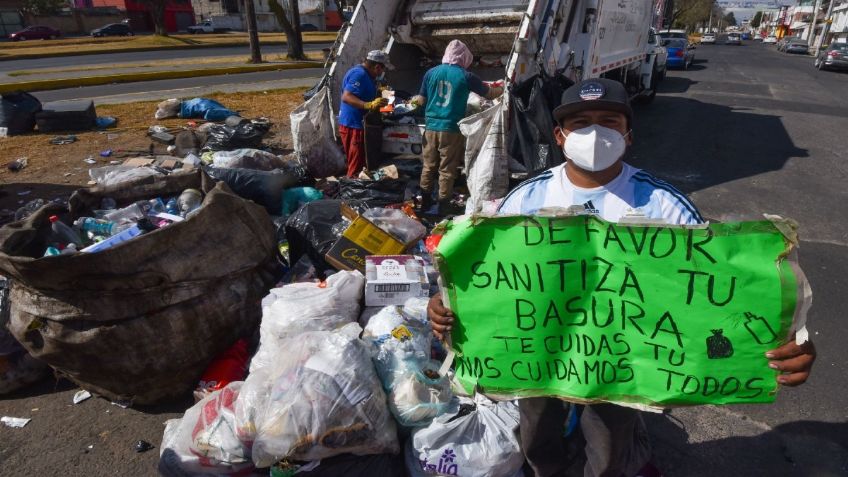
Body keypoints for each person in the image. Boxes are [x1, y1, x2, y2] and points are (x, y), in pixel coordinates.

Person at [427, 78, 816, 477]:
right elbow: (490, 278)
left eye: (608, 121)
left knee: (609, 447)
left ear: (628, 134)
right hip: (538, 352)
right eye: (580, 122)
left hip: (624, 362)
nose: (594, 132)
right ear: (560, 136)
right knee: (537, 437)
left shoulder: (667, 207)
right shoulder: (524, 199)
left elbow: (713, 291)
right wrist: (448, 302)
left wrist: (788, 339)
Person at [413, 39, 503, 214]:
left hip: (430, 127)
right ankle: (444, 206)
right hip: (451, 129)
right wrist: (504, 88)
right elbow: (490, 94)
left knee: (428, 166)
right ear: (463, 57)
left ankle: (424, 202)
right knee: (446, 169)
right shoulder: (465, 76)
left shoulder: (430, 73)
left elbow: (421, 100)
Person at [338, 50, 390, 177]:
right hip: (353, 125)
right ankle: (352, 192)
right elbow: (347, 96)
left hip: (358, 124)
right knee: (356, 166)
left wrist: (379, 93)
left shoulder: (367, 75)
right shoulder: (359, 74)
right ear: (377, 67)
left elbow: (362, 93)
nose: (382, 73)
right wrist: (368, 105)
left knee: (362, 165)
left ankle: (358, 190)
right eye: (382, 70)